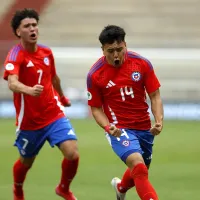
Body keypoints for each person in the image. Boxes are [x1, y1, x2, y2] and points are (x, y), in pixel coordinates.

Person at [3, 8, 79, 200]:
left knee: (72, 153)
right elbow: (12, 82)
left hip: (53, 114)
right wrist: (29, 90)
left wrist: (61, 97)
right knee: (26, 162)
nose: (32, 29)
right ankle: (18, 189)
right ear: (18, 32)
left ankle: (63, 188)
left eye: (34, 25)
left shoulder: (46, 52)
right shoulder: (15, 55)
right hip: (29, 122)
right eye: (27, 26)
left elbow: (54, 78)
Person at [87, 25, 164, 200]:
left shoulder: (141, 64)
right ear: (103, 49)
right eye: (110, 51)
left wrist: (158, 120)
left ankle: (121, 188)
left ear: (125, 45)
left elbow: (155, 95)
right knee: (138, 165)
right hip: (119, 129)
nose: (116, 55)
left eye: (119, 49)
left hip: (144, 128)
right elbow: (96, 108)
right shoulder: (95, 74)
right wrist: (108, 127)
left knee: (140, 169)